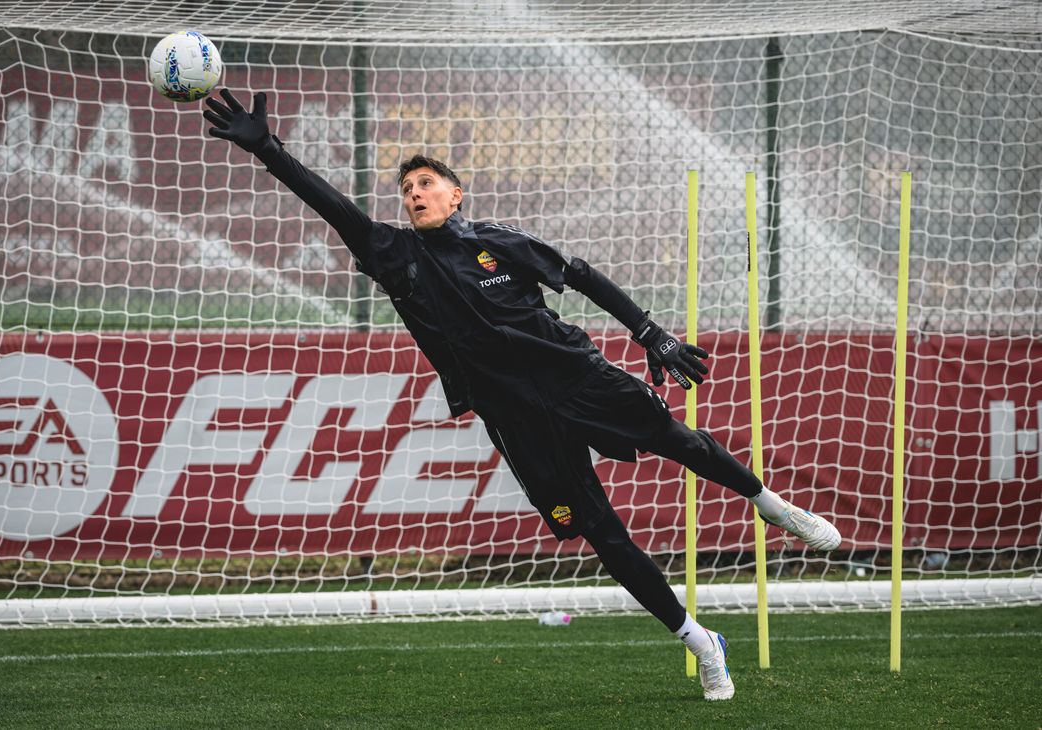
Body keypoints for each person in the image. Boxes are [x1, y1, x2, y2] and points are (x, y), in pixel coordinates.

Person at [203, 89, 841, 702]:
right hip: (512, 411)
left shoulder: (500, 241)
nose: (415, 193)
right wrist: (268, 151)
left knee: (677, 440)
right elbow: (330, 204)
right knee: (601, 534)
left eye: (427, 183)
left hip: (575, 374)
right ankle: (701, 643)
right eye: (406, 189)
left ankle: (774, 506)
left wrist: (650, 334)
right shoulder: (391, 253)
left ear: (456, 195)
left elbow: (580, 276)